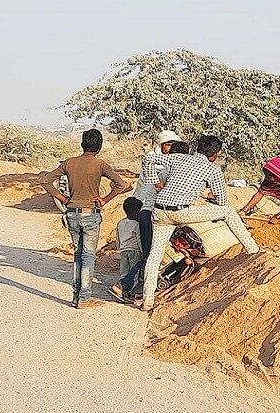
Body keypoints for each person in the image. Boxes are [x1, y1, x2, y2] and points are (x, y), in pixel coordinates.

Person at [140, 135, 260, 312]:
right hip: (182, 211)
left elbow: (148, 158)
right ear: (215, 154)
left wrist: (155, 182)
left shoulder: (178, 157)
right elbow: (222, 200)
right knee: (227, 211)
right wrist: (214, 211)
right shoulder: (212, 169)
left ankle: (147, 301)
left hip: (159, 211)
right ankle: (253, 250)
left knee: (155, 255)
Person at [40, 129, 128, 309]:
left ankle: (76, 296)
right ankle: (85, 298)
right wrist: (105, 199)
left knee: (78, 255)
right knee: (88, 256)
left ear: (82, 144)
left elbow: (46, 181)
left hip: (71, 212)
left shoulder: (69, 163)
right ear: (99, 146)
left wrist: (63, 198)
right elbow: (121, 184)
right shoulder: (100, 165)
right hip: (90, 214)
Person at [113, 139, 189, 302]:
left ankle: (133, 286)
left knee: (149, 253)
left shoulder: (160, 171)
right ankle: (127, 286)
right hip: (157, 215)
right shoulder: (174, 174)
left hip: (147, 212)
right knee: (152, 254)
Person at [116, 197, 143, 291]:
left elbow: (117, 237)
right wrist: (142, 251)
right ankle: (132, 291)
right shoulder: (136, 224)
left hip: (123, 251)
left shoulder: (120, 223)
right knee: (134, 271)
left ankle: (122, 288)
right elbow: (139, 239)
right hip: (134, 251)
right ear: (134, 212)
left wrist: (119, 248)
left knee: (124, 272)